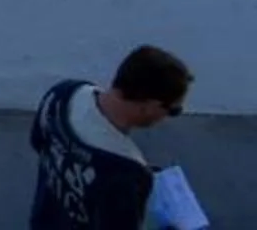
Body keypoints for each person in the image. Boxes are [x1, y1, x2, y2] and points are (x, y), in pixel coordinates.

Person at [29, 46, 192, 230]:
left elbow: (38, 142)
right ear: (149, 106)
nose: (168, 118)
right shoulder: (126, 173)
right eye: (174, 111)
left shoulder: (61, 95)